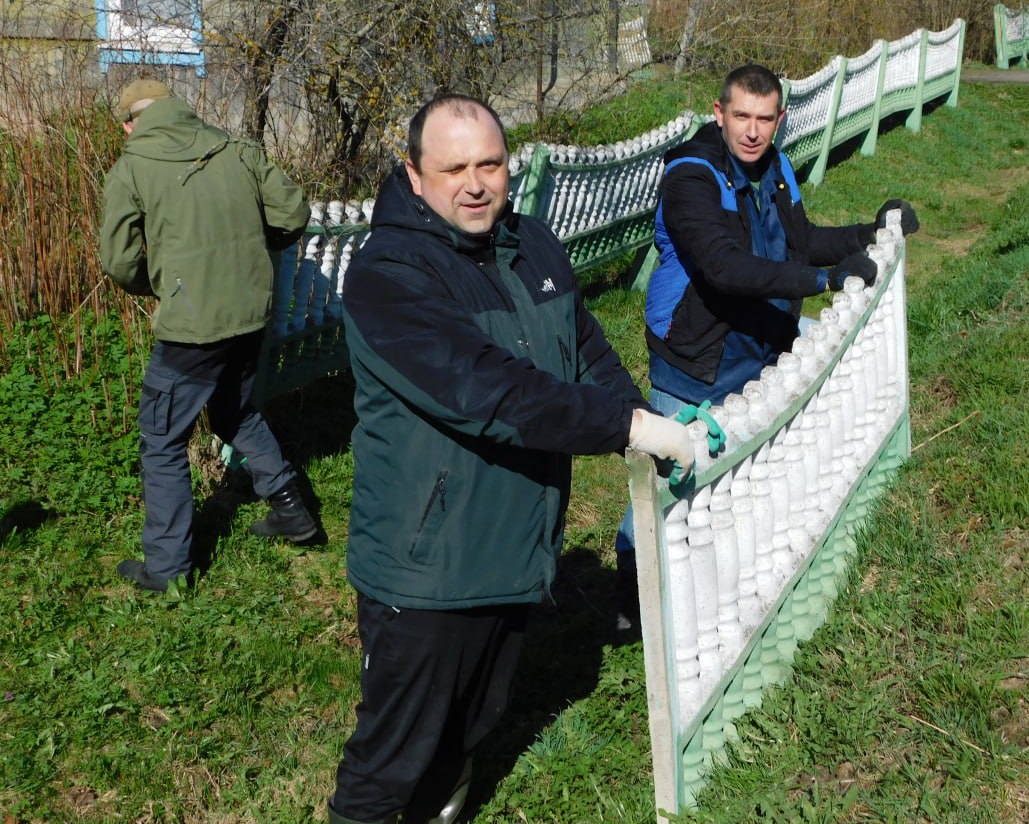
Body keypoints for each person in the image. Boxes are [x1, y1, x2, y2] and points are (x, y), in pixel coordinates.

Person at [329, 94, 695, 824]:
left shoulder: (533, 245)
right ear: (414, 175)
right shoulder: (389, 274)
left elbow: (583, 348)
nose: (475, 185)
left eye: (490, 164)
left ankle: (440, 802)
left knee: (473, 718)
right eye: (453, 169)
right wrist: (624, 426)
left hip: (515, 546)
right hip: (430, 562)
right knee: (391, 755)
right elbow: (489, 391)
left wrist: (639, 416)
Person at [612, 63, 920, 624]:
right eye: (741, 117)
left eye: (764, 119)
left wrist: (866, 234)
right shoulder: (691, 178)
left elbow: (800, 242)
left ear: (779, 119)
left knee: (734, 473)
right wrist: (822, 282)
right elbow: (724, 266)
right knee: (669, 479)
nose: (752, 131)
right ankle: (631, 596)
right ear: (719, 114)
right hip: (697, 358)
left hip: (757, 344)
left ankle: (711, 586)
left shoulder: (775, 168)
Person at [99, 78, 320, 594]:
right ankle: (292, 511)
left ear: (130, 124)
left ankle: (167, 567)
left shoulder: (132, 167)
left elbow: (119, 261)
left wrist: (161, 285)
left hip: (192, 328)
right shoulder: (235, 149)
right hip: (249, 312)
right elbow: (292, 213)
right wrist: (248, 258)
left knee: (162, 438)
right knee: (234, 411)